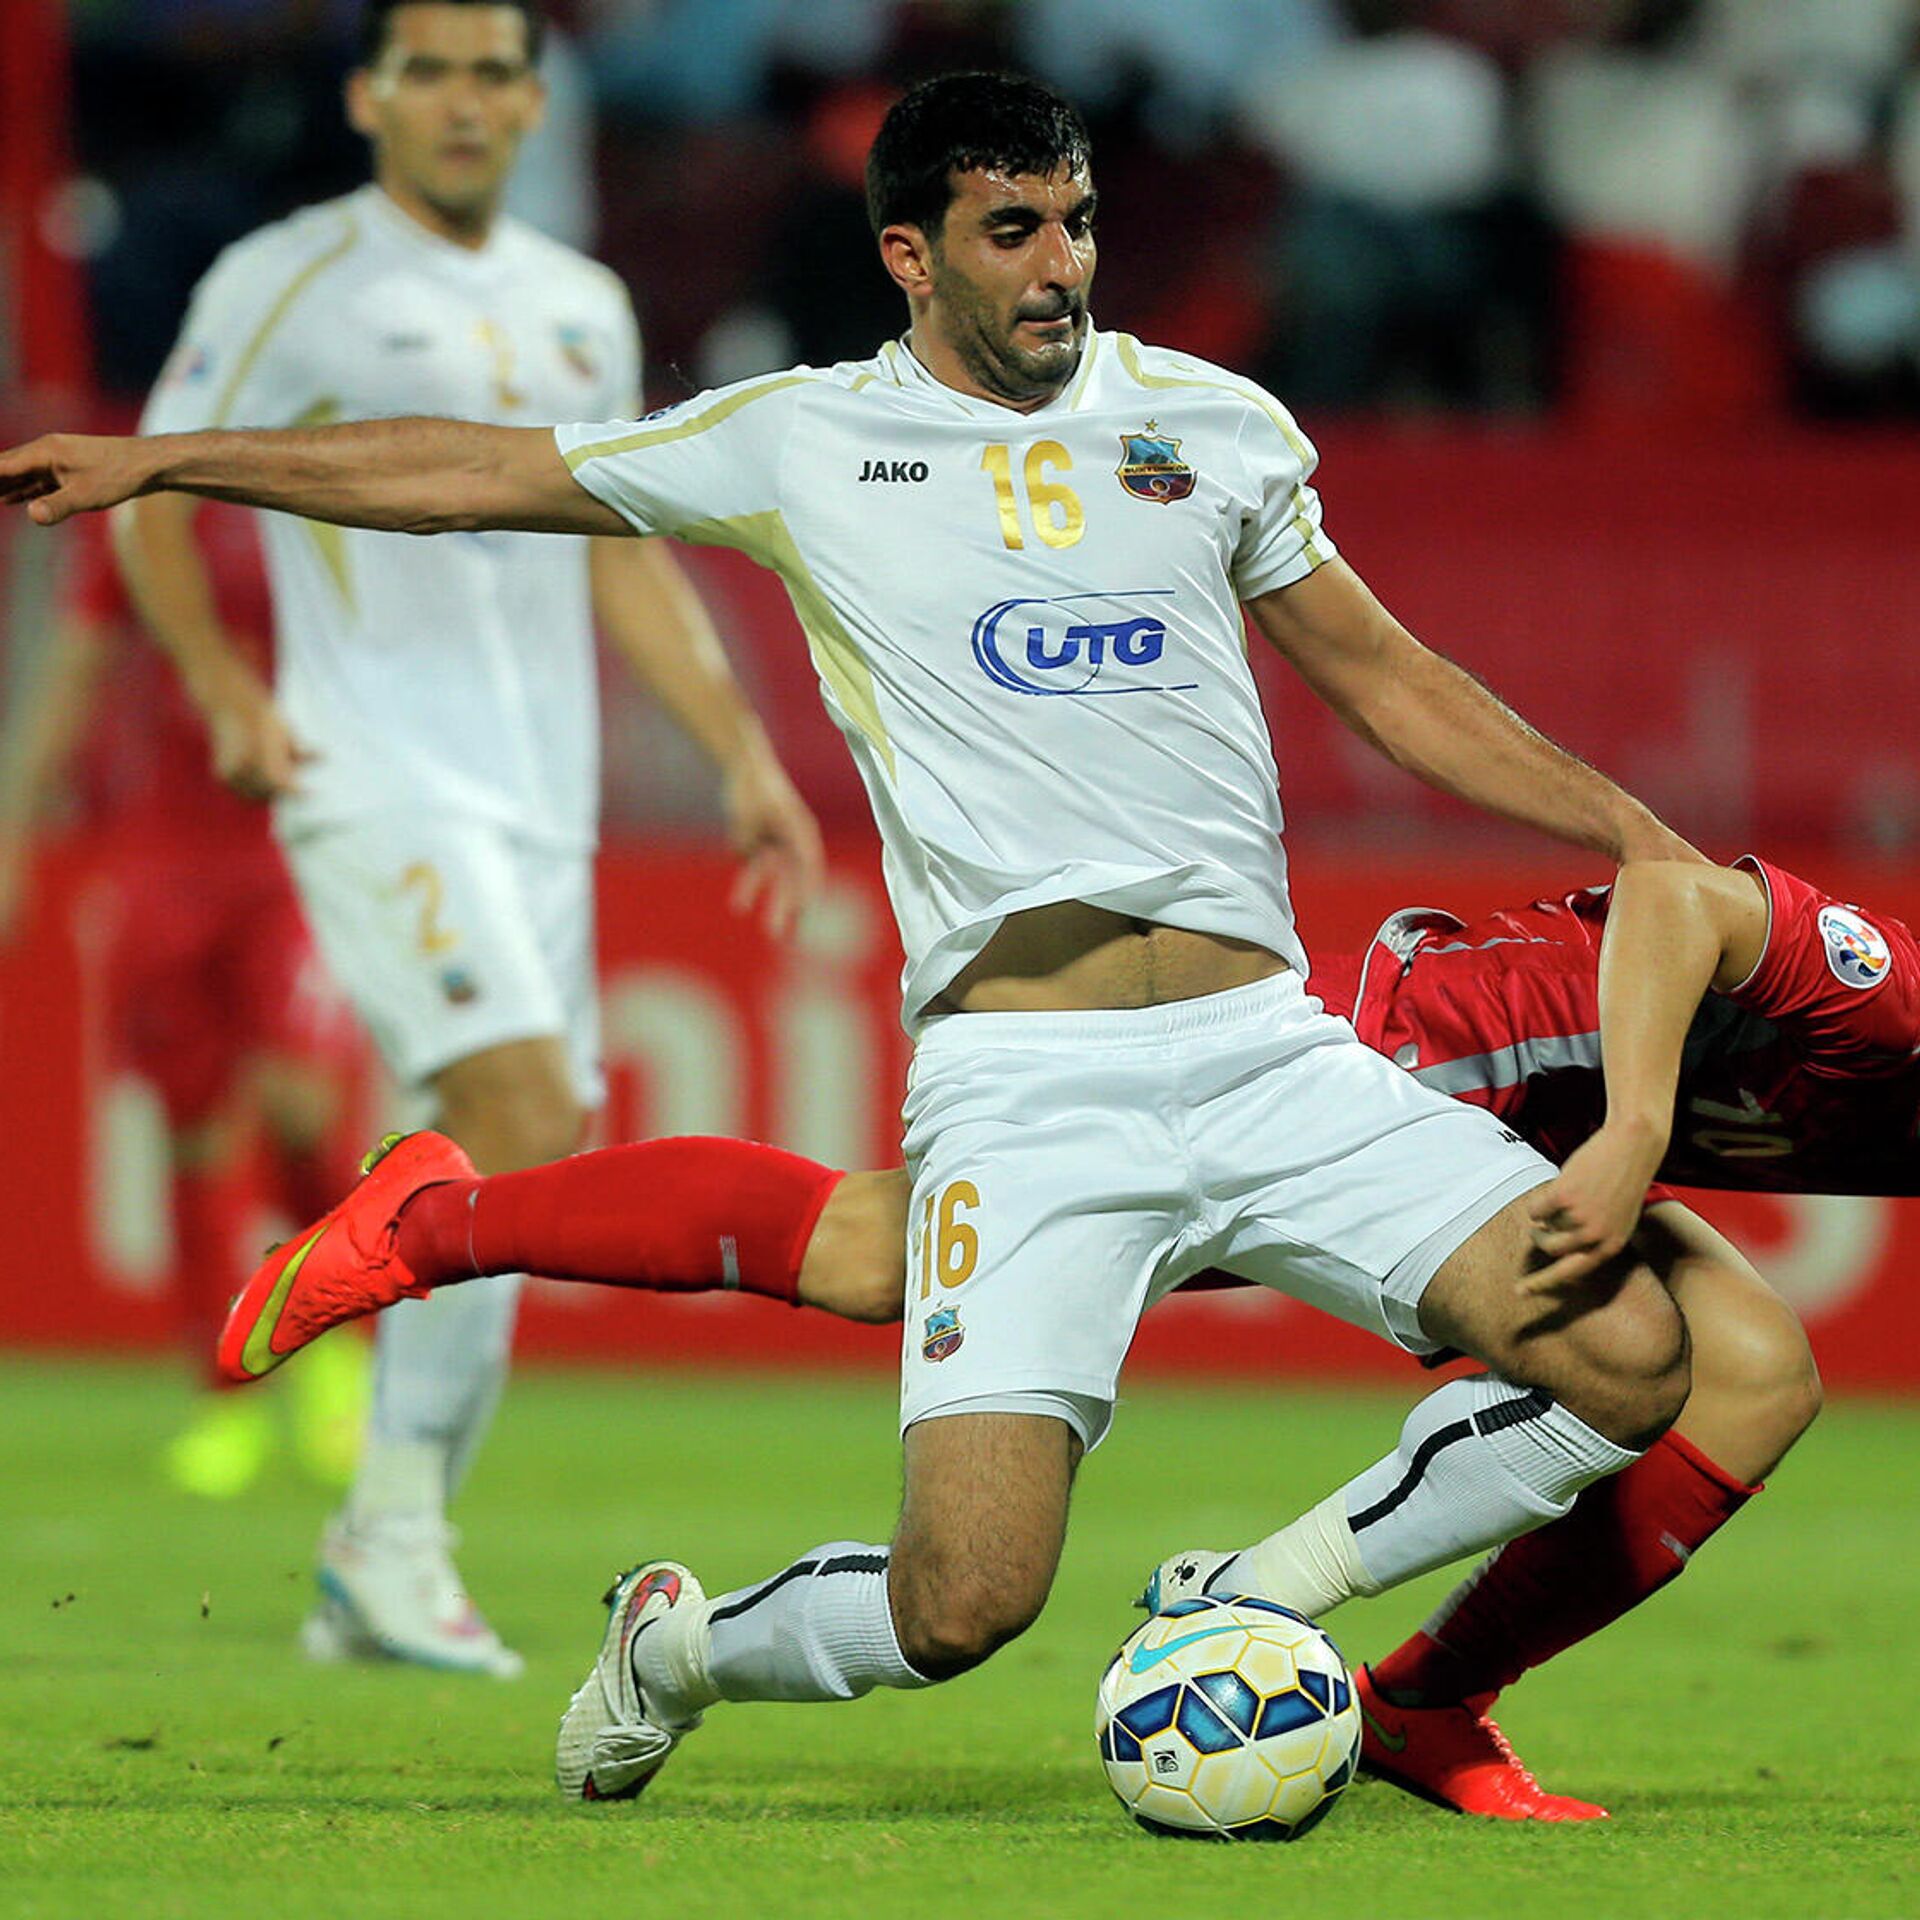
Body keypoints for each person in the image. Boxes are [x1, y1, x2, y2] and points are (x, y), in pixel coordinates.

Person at [2, 72, 1701, 1810]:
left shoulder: (1214, 426)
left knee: (1635, 1355)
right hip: (1032, 1086)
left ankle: (1260, 1599)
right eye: (1013, 229)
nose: (1061, 264)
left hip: (1272, 1055)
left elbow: (1389, 677)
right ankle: (678, 1645)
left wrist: (1622, 824)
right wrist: (167, 461)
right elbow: (466, 474)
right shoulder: (806, 440)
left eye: (1081, 221)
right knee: (964, 1602)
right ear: (911, 252)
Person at [213, 851, 1848, 1819]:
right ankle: (439, 1225)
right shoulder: (1896, 1000)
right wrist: (1639, 1122)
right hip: (1411, 1062)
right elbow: (1672, 892)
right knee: (876, 1255)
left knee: (1747, 1367)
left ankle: (1408, 1696)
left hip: (1517, 1115)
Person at [104, 0, 824, 1676]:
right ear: (367, 95)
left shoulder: (580, 306)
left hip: (540, 803)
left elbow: (622, 546)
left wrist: (738, 751)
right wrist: (221, 685)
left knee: (517, 1164)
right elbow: (146, 481)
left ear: (530, 99)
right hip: (371, 771)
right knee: (519, 1111)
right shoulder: (287, 278)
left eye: (496, 69)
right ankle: (393, 1536)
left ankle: (381, 1550)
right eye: (428, 67)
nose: (463, 99)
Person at [0, 507, 368, 1499]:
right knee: (195, 1131)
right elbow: (76, 660)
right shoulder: (150, 515)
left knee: (301, 1105)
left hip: (301, 847)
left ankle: (336, 1353)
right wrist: (15, 824)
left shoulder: (319, 497)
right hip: (166, 859)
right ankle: (227, 1398)